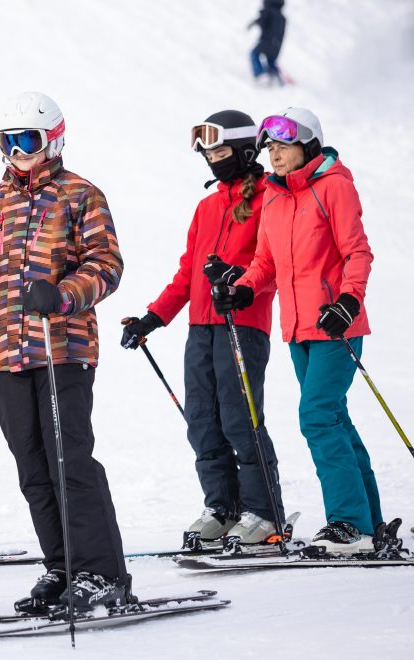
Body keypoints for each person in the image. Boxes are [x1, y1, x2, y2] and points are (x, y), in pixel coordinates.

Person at [0, 92, 129, 613]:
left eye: (26, 139)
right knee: (31, 467)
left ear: (52, 138)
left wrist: (65, 294)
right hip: (4, 351)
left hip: (62, 349)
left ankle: (102, 573)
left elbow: (107, 265)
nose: (17, 150)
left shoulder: (81, 195)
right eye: (8, 141)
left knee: (69, 460)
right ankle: (62, 565)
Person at [213, 107, 382, 554]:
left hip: (336, 325)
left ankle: (349, 523)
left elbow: (357, 253)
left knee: (317, 416)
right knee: (333, 418)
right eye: (269, 147)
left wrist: (347, 302)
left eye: (283, 146)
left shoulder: (335, 186)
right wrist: (244, 289)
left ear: (307, 145)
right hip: (298, 329)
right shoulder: (273, 194)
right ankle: (370, 519)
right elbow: (265, 262)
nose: (274, 155)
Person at [120, 110, 284, 547]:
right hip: (200, 329)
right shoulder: (208, 206)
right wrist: (152, 318)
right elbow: (187, 274)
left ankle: (262, 513)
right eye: (208, 153)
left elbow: (270, 265)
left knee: (239, 419)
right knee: (202, 421)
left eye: (221, 151)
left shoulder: (271, 198)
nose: (213, 160)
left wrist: (235, 277)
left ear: (247, 151)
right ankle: (222, 506)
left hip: (242, 325)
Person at [249, 0, 287, 86]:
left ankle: (260, 74)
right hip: (277, 46)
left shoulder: (268, 11)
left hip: (267, 41)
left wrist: (258, 18)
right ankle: (275, 76)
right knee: (271, 60)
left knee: (254, 54)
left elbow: (263, 23)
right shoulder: (282, 17)